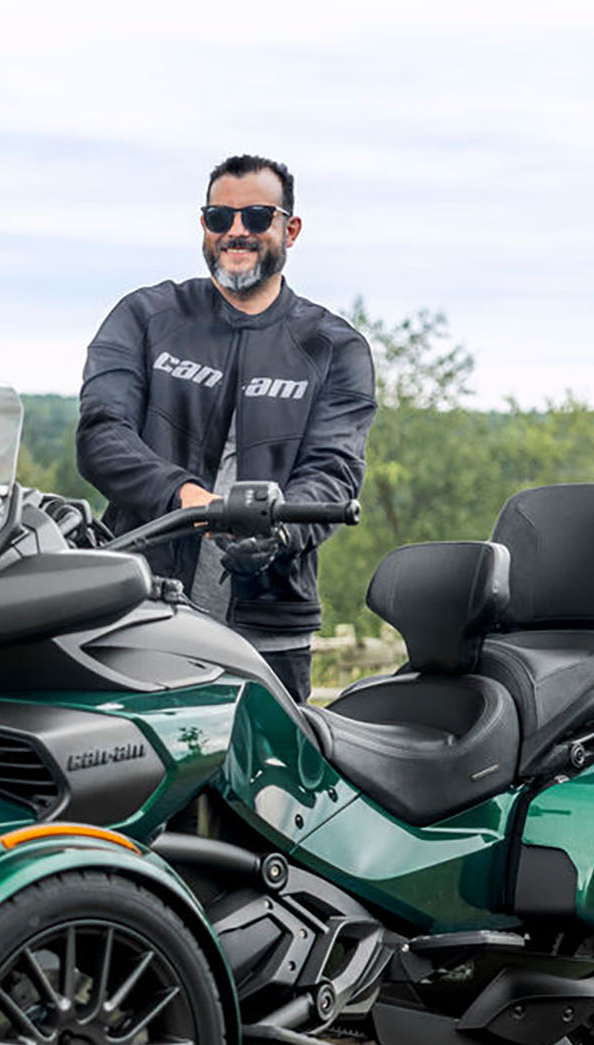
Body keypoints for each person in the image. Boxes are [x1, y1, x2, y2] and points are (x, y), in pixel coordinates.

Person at [75, 153, 376, 705]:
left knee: (266, 788)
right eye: (220, 218)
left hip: (269, 635)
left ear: (291, 228)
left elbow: (333, 475)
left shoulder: (335, 347)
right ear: (204, 226)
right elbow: (101, 435)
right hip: (142, 612)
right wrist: (190, 500)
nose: (237, 232)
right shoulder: (145, 317)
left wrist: (275, 531)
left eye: (257, 218)